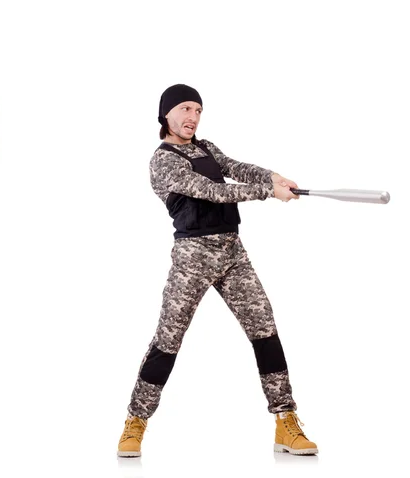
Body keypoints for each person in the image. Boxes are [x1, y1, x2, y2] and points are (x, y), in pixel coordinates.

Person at [117, 84, 318, 457]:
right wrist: (266, 192)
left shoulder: (206, 147)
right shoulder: (162, 160)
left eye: (198, 110)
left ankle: (285, 421)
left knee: (265, 331)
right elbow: (212, 190)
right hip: (192, 257)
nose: (192, 117)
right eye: (185, 109)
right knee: (167, 341)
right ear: (166, 114)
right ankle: (135, 422)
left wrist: (273, 176)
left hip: (233, 253)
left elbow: (235, 167)